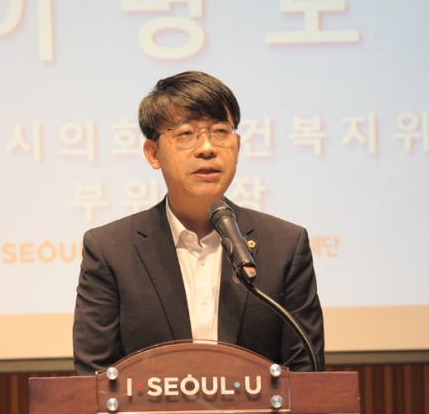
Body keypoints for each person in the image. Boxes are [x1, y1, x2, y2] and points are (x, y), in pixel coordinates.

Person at [73, 71, 324, 374]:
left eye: (220, 131)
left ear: (237, 145)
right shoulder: (110, 250)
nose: (207, 147)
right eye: (186, 133)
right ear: (153, 153)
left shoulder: (285, 245)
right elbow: (95, 378)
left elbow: (306, 374)